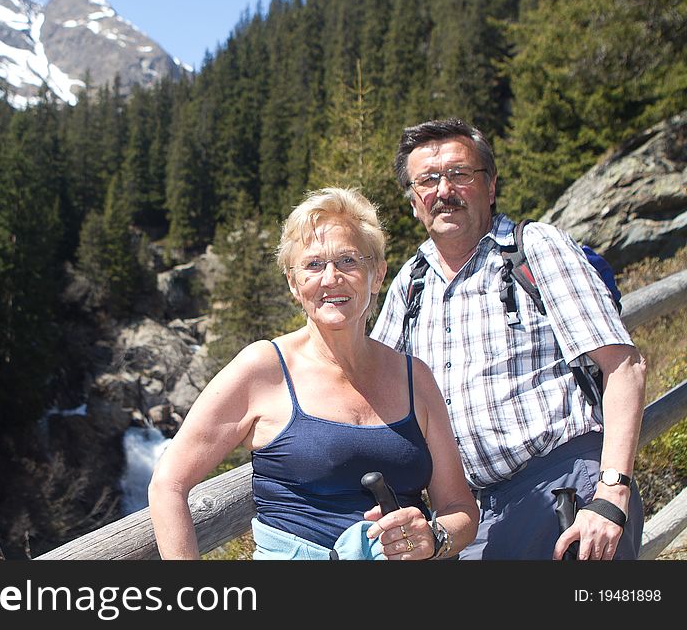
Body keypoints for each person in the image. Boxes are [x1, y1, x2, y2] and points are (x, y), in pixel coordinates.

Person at [148, 187, 478, 560]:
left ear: (377, 274)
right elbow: (168, 484)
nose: (331, 278)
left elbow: (460, 508)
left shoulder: (415, 378)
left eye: (349, 261)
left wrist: (433, 537)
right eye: (313, 265)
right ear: (293, 283)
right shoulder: (262, 368)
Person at [370, 118, 647, 560]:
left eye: (460, 174)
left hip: (565, 488)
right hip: (474, 515)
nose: (444, 191)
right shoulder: (410, 283)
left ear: (491, 185)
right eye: (427, 180)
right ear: (413, 202)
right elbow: (373, 391)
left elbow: (623, 365)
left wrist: (611, 494)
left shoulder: (535, 247)